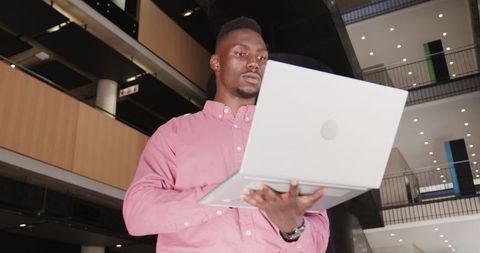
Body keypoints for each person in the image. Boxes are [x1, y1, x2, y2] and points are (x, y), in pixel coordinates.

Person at [123, 17, 330, 252]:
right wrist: (227, 194)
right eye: (241, 54)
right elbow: (137, 214)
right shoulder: (174, 133)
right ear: (216, 62)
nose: (254, 63)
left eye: (261, 57)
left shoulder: (288, 139)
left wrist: (292, 228)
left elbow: (319, 241)